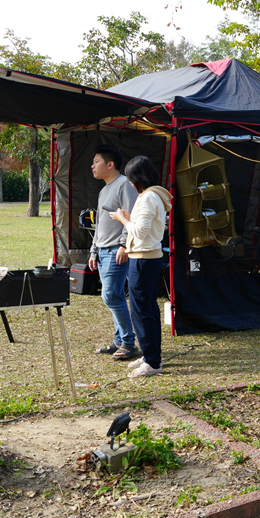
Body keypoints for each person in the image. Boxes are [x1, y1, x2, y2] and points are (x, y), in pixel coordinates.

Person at [109, 155, 173, 378]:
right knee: (148, 310)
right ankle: (150, 355)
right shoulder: (153, 195)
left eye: (131, 178)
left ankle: (153, 362)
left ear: (138, 178)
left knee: (141, 311)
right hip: (148, 258)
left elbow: (139, 233)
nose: (130, 183)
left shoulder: (148, 198)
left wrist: (121, 219)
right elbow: (144, 228)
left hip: (143, 260)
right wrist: (128, 217)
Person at [88, 145, 139, 361]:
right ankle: (119, 340)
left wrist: (123, 245)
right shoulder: (103, 189)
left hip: (115, 251)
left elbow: (132, 216)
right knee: (114, 296)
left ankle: (128, 343)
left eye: (96, 161)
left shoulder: (124, 184)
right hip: (102, 251)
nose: (92, 166)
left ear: (110, 164)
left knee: (110, 296)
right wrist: (93, 251)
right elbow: (99, 223)